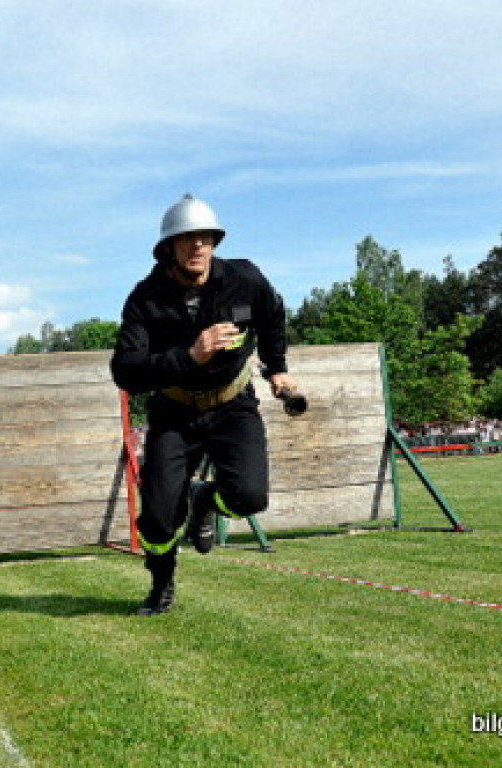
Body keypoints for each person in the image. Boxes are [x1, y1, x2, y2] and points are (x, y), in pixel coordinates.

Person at [111, 193, 296, 615]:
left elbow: (272, 316)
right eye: (188, 238)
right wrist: (190, 355)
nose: (198, 246)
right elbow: (126, 372)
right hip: (173, 414)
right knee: (158, 520)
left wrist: (277, 367)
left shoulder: (245, 278)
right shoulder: (144, 299)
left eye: (206, 238)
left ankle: (207, 500)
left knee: (249, 498)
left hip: (233, 405)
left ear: (215, 242)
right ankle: (161, 585)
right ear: (169, 248)